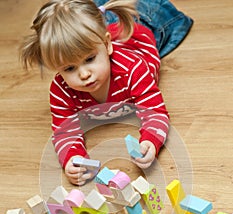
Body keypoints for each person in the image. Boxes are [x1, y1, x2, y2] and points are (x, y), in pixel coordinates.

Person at [20, 0, 193, 186]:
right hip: (104, 33)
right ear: (56, 69)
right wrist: (72, 158)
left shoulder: (133, 69)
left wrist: (151, 140)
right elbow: (64, 132)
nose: (84, 74)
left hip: (137, 32)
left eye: (90, 59)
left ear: (107, 45)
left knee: (145, 10)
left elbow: (155, 111)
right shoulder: (61, 90)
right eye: (69, 68)